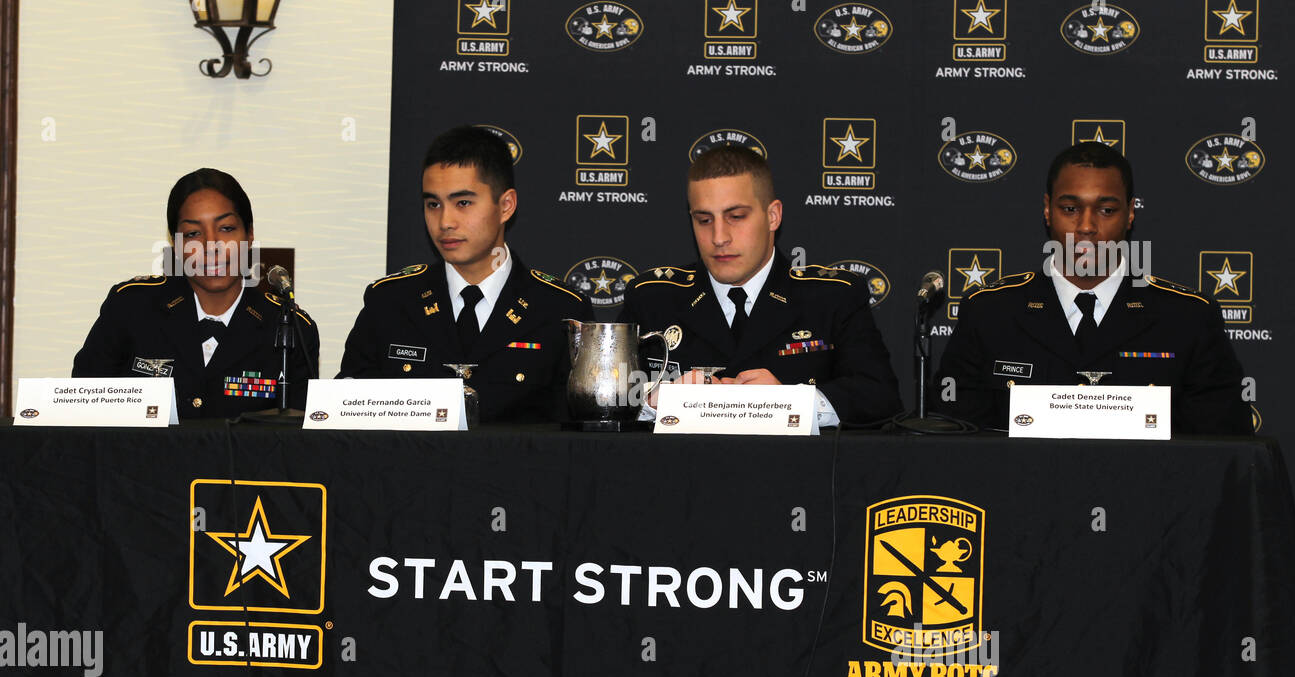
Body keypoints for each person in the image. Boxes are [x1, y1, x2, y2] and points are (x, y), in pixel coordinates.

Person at [934, 143, 1252, 435]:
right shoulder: (991, 312)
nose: (1086, 226)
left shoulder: (1187, 317)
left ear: (1130, 213)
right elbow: (952, 441)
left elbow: (1223, 451)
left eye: (1106, 210)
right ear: (1047, 210)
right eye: (1070, 209)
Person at [620, 145, 901, 427]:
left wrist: (790, 403)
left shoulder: (832, 297)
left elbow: (880, 397)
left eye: (736, 216)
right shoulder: (653, 299)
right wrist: (653, 400)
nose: (719, 237)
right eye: (704, 220)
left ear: (773, 216)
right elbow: (598, 399)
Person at [337, 125, 591, 423]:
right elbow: (348, 418)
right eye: (433, 204)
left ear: (506, 206)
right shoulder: (390, 302)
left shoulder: (560, 310)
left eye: (463, 203)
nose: (445, 221)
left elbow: (579, 441)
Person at [73, 169, 319, 418]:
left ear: (249, 234)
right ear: (175, 243)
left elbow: (296, 443)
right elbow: (83, 414)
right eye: (193, 234)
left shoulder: (289, 326)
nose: (211, 246)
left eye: (226, 228)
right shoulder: (131, 308)